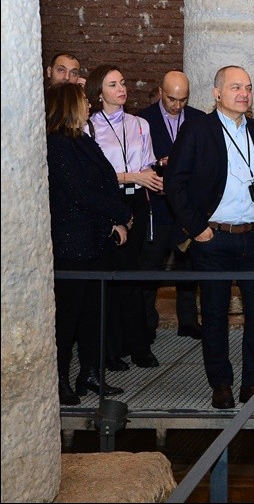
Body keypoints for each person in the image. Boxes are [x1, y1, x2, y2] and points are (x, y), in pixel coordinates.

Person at [164, 65, 254, 409]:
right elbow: (175, 182)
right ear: (217, 93)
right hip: (213, 238)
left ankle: (253, 383)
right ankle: (220, 383)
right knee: (215, 313)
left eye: (247, 87)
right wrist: (197, 228)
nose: (244, 94)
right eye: (235, 87)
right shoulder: (197, 130)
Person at [46, 83, 133, 404]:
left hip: (95, 239)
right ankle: (59, 379)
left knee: (93, 313)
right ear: (70, 105)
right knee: (68, 316)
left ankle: (90, 372)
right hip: (72, 244)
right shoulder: (57, 145)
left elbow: (105, 182)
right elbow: (79, 193)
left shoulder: (82, 140)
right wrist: (120, 213)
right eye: (83, 100)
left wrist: (114, 220)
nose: (89, 105)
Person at [85, 64, 162, 370]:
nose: (121, 89)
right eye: (113, 84)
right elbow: (92, 177)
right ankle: (111, 350)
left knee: (133, 275)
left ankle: (138, 345)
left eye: (122, 82)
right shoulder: (89, 127)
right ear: (98, 92)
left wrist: (152, 175)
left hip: (138, 204)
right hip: (108, 203)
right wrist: (133, 176)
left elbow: (147, 163)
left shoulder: (139, 123)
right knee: (112, 276)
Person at [137, 70, 203, 341]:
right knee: (150, 266)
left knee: (188, 265)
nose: (177, 105)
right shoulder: (142, 119)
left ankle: (188, 321)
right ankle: (146, 323)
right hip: (157, 205)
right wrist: (157, 163)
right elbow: (136, 160)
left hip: (187, 205)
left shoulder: (199, 119)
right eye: (172, 99)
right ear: (161, 93)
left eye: (183, 99)